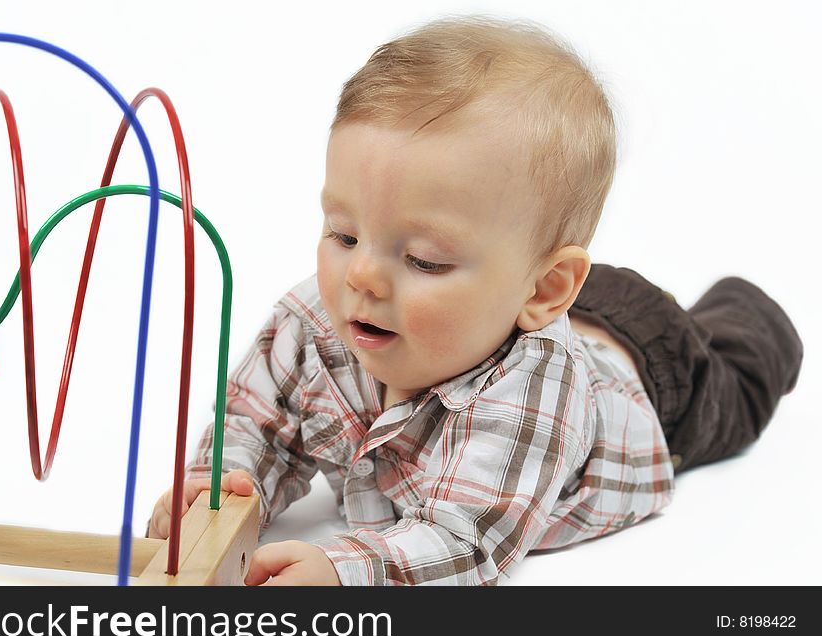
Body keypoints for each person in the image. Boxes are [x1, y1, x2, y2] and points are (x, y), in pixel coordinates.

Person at [148, 16, 803, 585]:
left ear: (543, 289)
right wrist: (224, 487)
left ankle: (752, 308)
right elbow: (262, 421)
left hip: (658, 378)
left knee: (740, 374)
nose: (364, 277)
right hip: (556, 301)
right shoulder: (318, 321)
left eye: (424, 259)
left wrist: (346, 571)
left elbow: (466, 543)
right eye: (344, 235)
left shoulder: (530, 395)